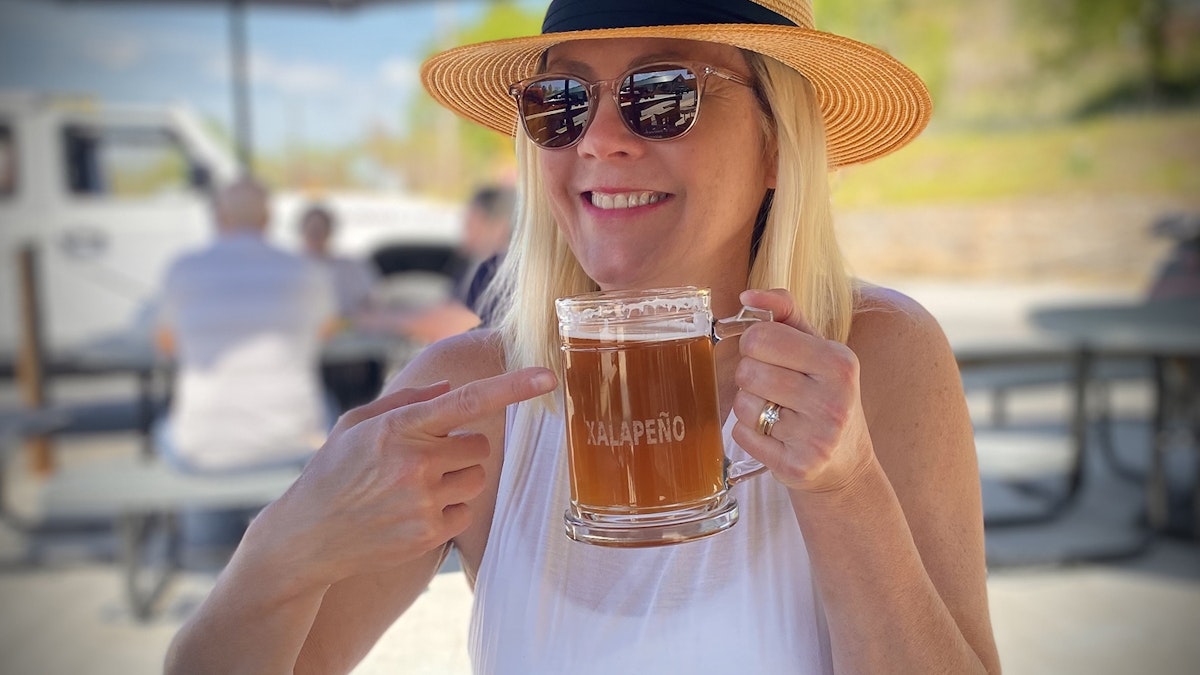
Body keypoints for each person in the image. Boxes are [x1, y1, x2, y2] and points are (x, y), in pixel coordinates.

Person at [166, 2, 1001, 673]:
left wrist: (845, 488)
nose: (600, 138)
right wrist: (286, 542)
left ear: (777, 142)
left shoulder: (879, 355)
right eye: (560, 103)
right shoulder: (475, 395)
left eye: (663, 92)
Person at [155, 177, 336, 474]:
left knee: (168, 431)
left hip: (201, 448)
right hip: (295, 441)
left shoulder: (182, 268)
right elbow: (326, 332)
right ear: (267, 219)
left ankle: (205, 519)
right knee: (327, 405)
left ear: (218, 218)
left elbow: (166, 343)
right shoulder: (308, 269)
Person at [364, 184, 516, 344]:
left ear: (499, 227)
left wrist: (383, 319)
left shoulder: (498, 268)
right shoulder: (474, 266)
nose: (465, 228)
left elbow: (462, 324)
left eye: (472, 220)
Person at [297, 203, 386, 412]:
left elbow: (372, 306)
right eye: (311, 229)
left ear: (330, 231)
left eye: (321, 229)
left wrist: (348, 322)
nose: (316, 235)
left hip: (351, 355)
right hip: (309, 358)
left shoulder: (351, 267)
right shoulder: (291, 270)